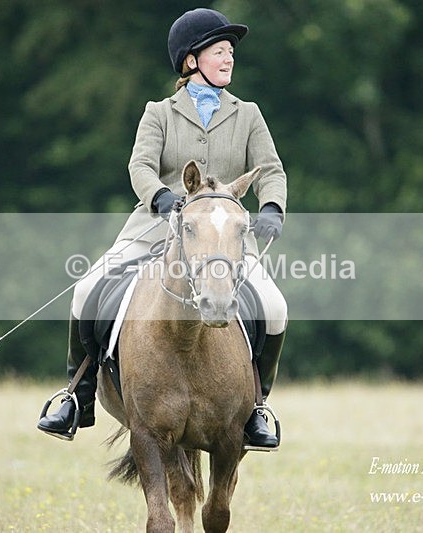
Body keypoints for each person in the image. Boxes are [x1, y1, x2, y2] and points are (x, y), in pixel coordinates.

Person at [37, 7, 288, 449]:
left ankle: (257, 407)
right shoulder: (159, 113)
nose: (229, 58)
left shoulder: (248, 114)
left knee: (274, 305)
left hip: (222, 237)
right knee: (86, 289)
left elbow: (270, 169)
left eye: (230, 52)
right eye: (219, 51)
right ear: (191, 60)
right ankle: (77, 395)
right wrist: (160, 197)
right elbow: (140, 166)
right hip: (156, 229)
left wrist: (271, 207)